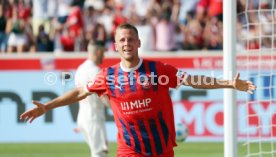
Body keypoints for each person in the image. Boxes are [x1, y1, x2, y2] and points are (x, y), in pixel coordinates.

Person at [20, 23, 257, 157]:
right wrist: (47, 107)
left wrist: (227, 83)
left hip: (162, 150)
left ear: (139, 43)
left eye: (130, 39)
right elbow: (81, 91)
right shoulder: (107, 76)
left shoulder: (158, 70)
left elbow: (192, 80)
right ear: (116, 46)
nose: (126, 44)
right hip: (129, 151)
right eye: (122, 40)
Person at [73, 40, 108, 157]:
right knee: (99, 153)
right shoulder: (95, 71)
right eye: (103, 52)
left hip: (83, 117)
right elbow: (103, 96)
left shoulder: (80, 69)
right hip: (94, 118)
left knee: (97, 152)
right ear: (98, 52)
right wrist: (119, 109)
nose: (104, 56)